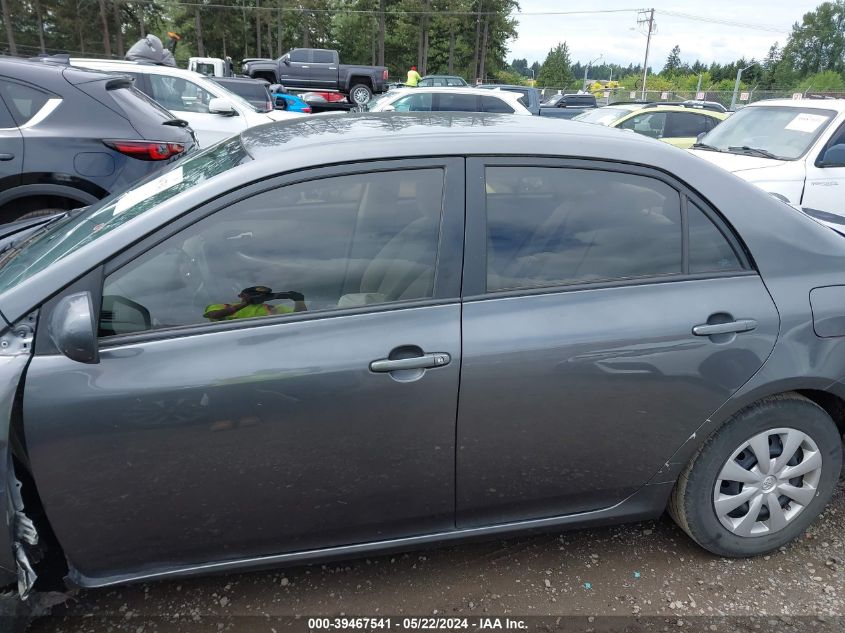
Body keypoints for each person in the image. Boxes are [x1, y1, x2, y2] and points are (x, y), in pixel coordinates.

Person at [203, 286, 306, 321]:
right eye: (251, 294)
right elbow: (214, 315)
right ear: (241, 296)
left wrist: (299, 301)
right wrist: (246, 303)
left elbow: (300, 318)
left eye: (260, 295)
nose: (256, 296)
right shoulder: (223, 306)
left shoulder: (274, 308)